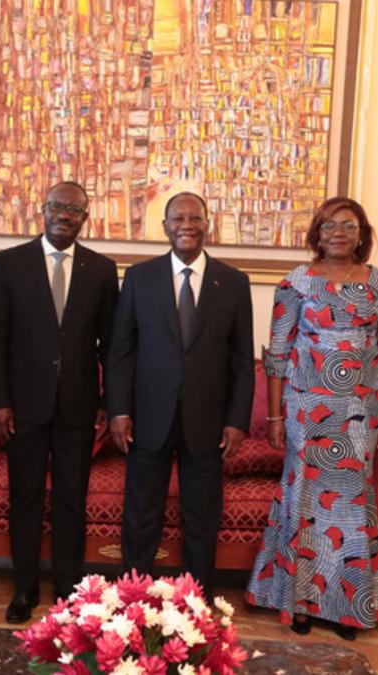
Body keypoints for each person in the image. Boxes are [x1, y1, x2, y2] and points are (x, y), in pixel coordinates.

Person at [243, 197, 378, 641]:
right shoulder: (297, 282)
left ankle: (347, 606)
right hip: (306, 410)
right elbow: (278, 354)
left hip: (361, 414)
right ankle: (300, 603)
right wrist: (275, 416)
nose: (338, 233)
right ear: (317, 233)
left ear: (362, 234)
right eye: (330, 225)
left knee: (351, 507)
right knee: (306, 502)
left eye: (348, 225)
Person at [0, 181, 119, 623]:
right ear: (42, 210)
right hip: (22, 405)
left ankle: (68, 590)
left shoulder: (101, 270)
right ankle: (23, 590)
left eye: (74, 209)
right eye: (57, 206)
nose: (64, 215)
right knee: (24, 497)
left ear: (85, 218)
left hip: (78, 405)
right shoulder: (9, 264)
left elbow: (111, 345)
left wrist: (107, 400)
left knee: (70, 500)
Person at [107, 191, 254, 594]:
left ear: (207, 224)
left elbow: (242, 360)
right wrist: (118, 410)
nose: (186, 225)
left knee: (201, 515)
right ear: (166, 227)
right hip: (148, 416)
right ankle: (133, 596)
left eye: (194, 218)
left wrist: (237, 420)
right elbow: (121, 352)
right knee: (141, 513)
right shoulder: (139, 278)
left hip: (208, 420)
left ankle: (195, 598)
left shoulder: (233, 282)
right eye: (178, 218)